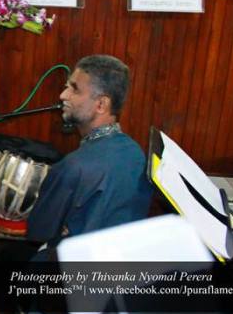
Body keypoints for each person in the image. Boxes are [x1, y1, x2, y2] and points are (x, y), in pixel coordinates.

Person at [27, 55, 152, 247]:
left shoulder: (73, 167)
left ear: (101, 104)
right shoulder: (136, 152)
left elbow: (39, 230)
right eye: (67, 86)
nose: (63, 95)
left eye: (74, 89)